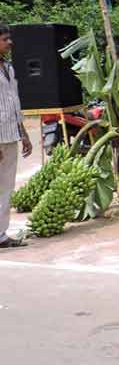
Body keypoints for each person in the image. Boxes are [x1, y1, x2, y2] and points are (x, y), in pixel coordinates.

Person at [0, 25, 31, 249]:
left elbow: (14, 102)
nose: (10, 43)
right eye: (5, 39)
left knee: (6, 187)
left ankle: (1, 234)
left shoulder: (8, 68)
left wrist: (24, 133)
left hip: (11, 135)